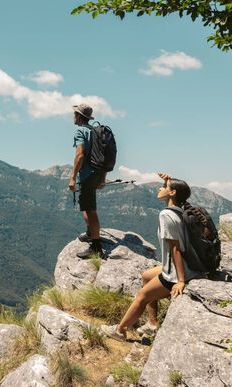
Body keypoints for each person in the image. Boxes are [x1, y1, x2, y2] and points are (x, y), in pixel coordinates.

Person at [100, 173, 201, 341]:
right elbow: (177, 193)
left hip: (176, 272)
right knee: (146, 276)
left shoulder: (166, 215)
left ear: (172, 193)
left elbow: (175, 248)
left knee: (141, 296)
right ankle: (152, 324)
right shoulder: (182, 209)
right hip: (186, 264)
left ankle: (120, 331)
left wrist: (181, 281)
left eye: (164, 187)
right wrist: (168, 180)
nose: (160, 188)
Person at [69, 103, 106, 259]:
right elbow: (104, 156)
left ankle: (96, 247)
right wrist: (102, 177)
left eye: (74, 114)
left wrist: (72, 177)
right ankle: (91, 233)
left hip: (86, 175)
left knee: (90, 210)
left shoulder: (81, 131)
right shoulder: (96, 132)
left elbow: (80, 155)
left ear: (78, 116)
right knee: (86, 206)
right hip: (97, 174)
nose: (73, 117)